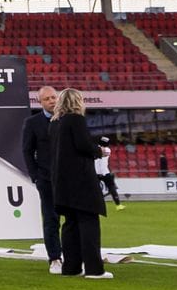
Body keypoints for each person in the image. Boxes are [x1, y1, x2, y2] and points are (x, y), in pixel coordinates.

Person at [48, 88, 110, 278]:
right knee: (89, 222)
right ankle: (94, 269)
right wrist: (100, 151)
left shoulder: (54, 123)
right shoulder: (75, 119)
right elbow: (83, 145)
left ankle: (71, 267)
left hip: (61, 181)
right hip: (81, 179)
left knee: (70, 224)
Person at [23, 88, 64, 272]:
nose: (51, 101)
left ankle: (74, 255)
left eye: (54, 97)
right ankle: (55, 258)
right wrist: (36, 176)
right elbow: (27, 150)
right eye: (47, 99)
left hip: (68, 178)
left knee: (73, 219)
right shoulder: (33, 123)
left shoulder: (68, 119)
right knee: (51, 219)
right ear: (40, 102)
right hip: (46, 179)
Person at [95, 138, 123, 207]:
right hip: (104, 172)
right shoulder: (107, 149)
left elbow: (99, 155)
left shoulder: (96, 149)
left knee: (95, 189)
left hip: (96, 173)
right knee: (112, 187)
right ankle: (118, 205)